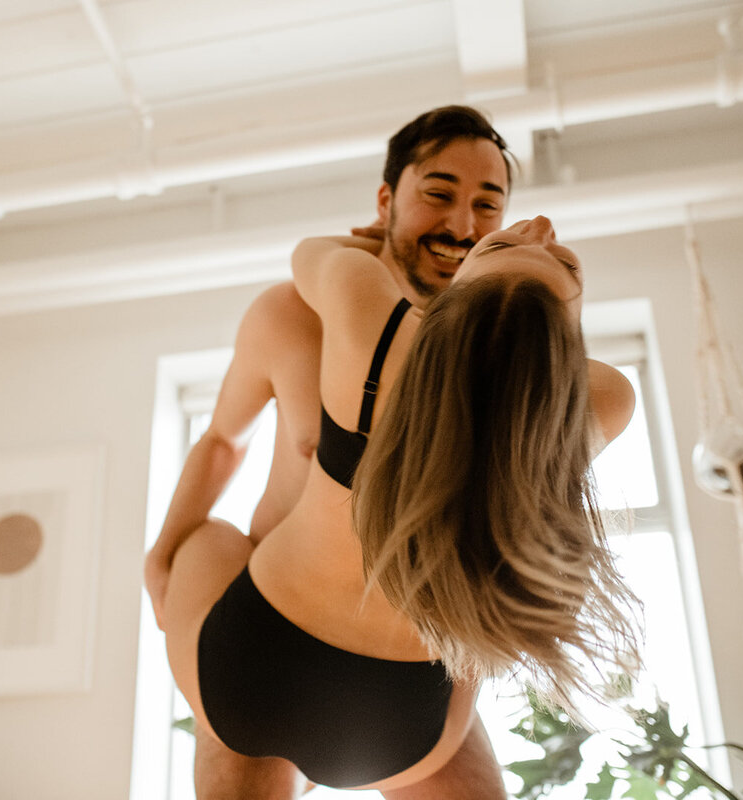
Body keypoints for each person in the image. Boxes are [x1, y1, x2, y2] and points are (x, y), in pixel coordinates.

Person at [159, 213, 640, 799]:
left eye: (509, 244)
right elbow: (527, 373)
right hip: (408, 724)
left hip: (247, 664)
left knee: (208, 537)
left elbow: (310, 253)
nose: (540, 225)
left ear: (453, 295)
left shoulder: (374, 330)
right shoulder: (599, 403)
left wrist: (374, 246)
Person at [145, 105, 516, 798]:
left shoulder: (486, 355)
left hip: (407, 659)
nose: (462, 225)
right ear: (387, 199)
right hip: (263, 630)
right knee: (210, 544)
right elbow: (224, 439)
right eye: (439, 194)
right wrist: (163, 551)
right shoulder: (288, 316)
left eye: (485, 205)